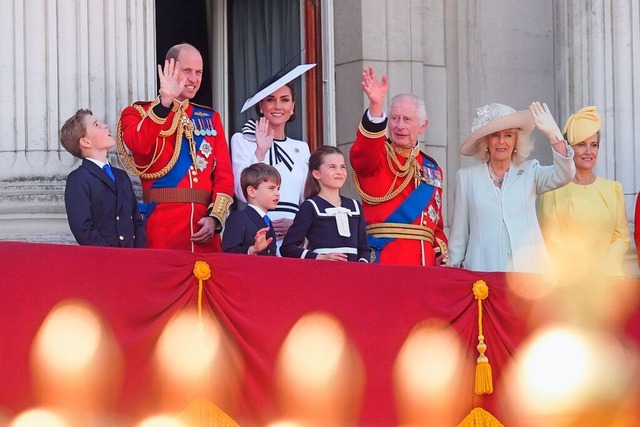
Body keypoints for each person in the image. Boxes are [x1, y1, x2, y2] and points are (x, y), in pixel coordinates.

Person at [117, 43, 234, 253]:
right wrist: (164, 104)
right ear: (169, 70)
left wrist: (215, 217)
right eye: (187, 71)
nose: (194, 79)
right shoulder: (138, 112)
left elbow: (224, 175)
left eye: (198, 72)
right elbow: (138, 145)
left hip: (203, 231)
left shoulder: (210, 118)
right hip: (161, 229)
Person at [448, 102, 575, 273]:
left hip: (528, 278)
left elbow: (564, 175)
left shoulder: (530, 171)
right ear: (486, 141)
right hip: (482, 275)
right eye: (495, 135)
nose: (501, 142)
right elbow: (458, 236)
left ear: (516, 141)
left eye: (508, 135)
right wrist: (453, 273)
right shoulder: (466, 178)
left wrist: (555, 136)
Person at [350, 67, 448, 266]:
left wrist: (439, 252)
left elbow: (435, 226)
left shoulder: (432, 168)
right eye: (394, 118)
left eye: (407, 119)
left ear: (423, 126)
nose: (399, 126)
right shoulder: (378, 157)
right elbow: (363, 155)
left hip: (425, 265)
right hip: (385, 260)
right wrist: (376, 107)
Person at [539, 106, 630, 277]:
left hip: (610, 282)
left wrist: (605, 267)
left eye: (593, 145)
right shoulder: (552, 192)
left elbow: (622, 237)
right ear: (569, 148)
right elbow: (551, 240)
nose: (589, 152)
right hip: (571, 284)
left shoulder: (613, 190)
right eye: (581, 145)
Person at [230, 65, 314, 251]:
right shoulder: (243, 140)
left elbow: (307, 198)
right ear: (261, 106)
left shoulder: (301, 148)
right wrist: (260, 151)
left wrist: (297, 225)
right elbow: (240, 190)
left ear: (292, 107)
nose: (278, 106)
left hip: (293, 236)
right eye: (270, 100)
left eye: (285, 100)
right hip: (256, 232)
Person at [61, 109, 146, 248]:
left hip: (132, 259)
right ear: (85, 142)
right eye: (96, 125)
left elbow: (136, 220)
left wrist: (138, 254)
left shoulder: (121, 176)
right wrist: (111, 256)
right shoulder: (78, 179)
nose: (105, 126)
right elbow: (83, 229)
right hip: (103, 261)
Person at [280, 146, 370, 262]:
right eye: (332, 167)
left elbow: (364, 249)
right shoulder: (310, 206)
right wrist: (318, 257)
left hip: (354, 275)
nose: (339, 172)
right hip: (323, 274)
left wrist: (362, 265)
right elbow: (288, 247)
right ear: (317, 174)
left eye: (342, 167)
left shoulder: (354, 205)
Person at [222, 163, 280, 256]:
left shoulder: (267, 221)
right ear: (251, 192)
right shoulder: (238, 218)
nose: (277, 193)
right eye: (271, 188)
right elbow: (228, 253)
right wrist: (251, 250)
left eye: (278, 189)